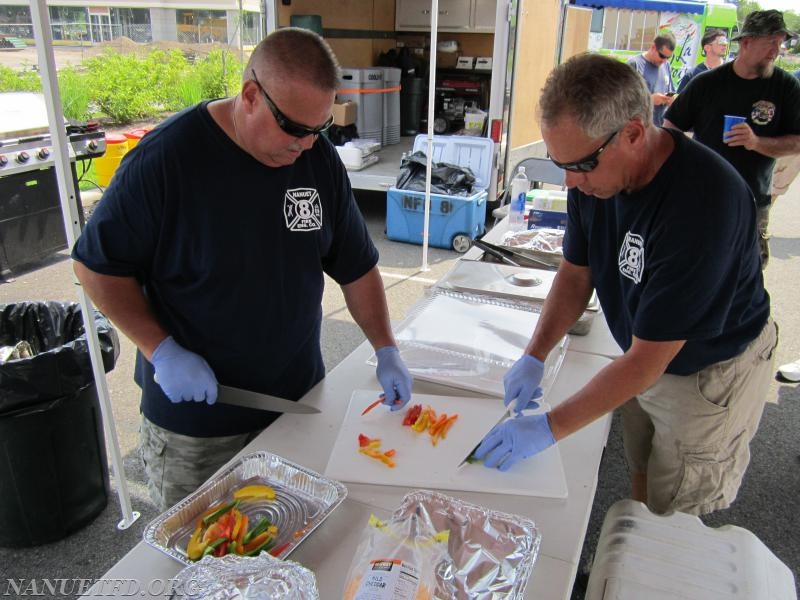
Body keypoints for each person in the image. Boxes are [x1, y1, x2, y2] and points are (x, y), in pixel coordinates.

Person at [72, 28, 413, 510]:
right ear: (251, 95)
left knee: (291, 547)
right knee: (198, 562)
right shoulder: (167, 160)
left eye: (321, 130)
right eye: (295, 129)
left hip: (294, 407)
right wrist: (161, 349)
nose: (307, 146)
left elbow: (357, 267)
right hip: (197, 426)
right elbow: (96, 268)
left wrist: (386, 348)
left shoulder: (316, 161)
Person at [474, 53, 777, 517]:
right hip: (642, 349)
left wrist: (548, 428)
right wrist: (534, 353)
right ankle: (638, 529)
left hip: (708, 369)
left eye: (581, 165)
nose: (571, 183)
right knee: (640, 467)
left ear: (634, 133)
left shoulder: (702, 207)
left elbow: (647, 361)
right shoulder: (592, 180)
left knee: (676, 506)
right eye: (560, 165)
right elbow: (576, 274)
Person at [664, 10, 800, 268]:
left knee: (747, 272)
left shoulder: (786, 87)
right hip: (704, 195)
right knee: (698, 266)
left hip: (753, 199)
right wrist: (681, 167)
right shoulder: (706, 83)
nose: (776, 50)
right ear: (746, 42)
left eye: (780, 42)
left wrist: (756, 143)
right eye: (770, 42)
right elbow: (670, 128)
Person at [627, 31, 676, 126]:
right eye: (662, 56)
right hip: (637, 130)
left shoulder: (666, 66)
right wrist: (649, 100)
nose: (664, 60)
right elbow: (622, 101)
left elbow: (671, 91)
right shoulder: (634, 64)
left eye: (668, 57)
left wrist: (671, 100)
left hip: (659, 129)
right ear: (653, 47)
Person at [676, 28, 728, 93]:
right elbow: (680, 101)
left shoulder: (732, 72)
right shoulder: (691, 75)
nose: (725, 45)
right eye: (721, 42)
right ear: (707, 48)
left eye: (726, 42)